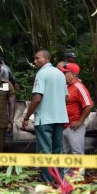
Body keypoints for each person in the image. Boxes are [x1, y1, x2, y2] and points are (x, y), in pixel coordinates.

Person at [22, 49, 69, 183]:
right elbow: (66, 98)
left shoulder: (41, 73)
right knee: (58, 150)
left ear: (46, 59)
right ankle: (59, 180)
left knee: (45, 151)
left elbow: (37, 98)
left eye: (37, 58)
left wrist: (26, 118)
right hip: (59, 118)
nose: (35, 61)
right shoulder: (60, 74)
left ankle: (47, 181)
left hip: (45, 120)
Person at [59, 63, 93, 176]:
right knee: (65, 153)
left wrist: (80, 121)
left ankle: (78, 178)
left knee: (77, 153)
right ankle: (66, 179)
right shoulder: (67, 87)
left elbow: (88, 105)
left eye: (65, 72)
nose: (63, 74)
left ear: (72, 74)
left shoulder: (79, 87)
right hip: (65, 125)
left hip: (74, 126)